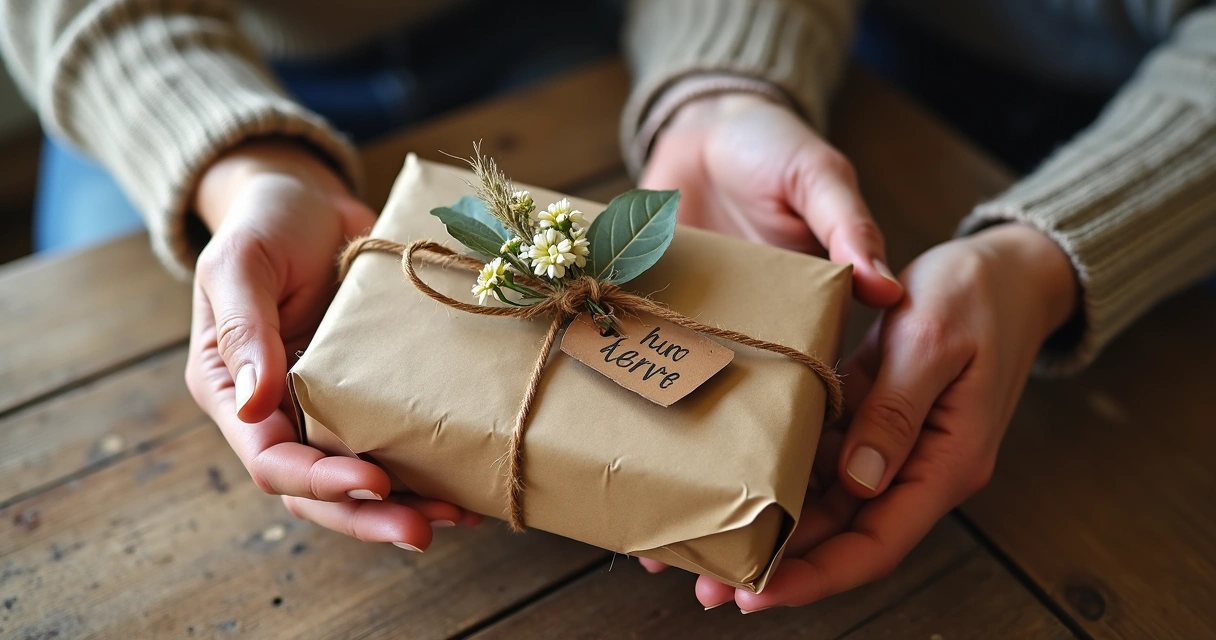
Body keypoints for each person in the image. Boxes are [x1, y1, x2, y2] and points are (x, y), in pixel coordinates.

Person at [1, 0, 1212, 615]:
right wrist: (244, 168)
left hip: (561, 22)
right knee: (149, 332)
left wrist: (715, 89)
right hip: (176, 55)